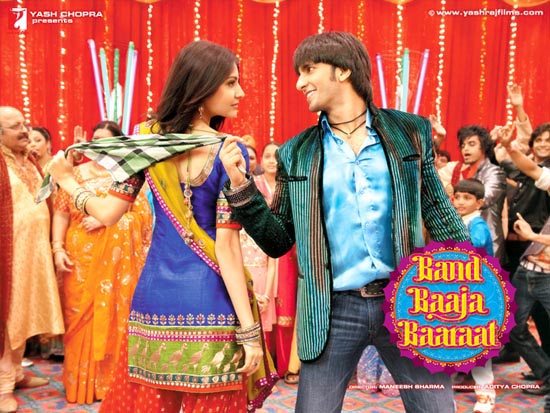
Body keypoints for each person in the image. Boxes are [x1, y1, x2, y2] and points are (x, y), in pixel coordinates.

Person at [220, 32, 469, 413]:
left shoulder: (409, 131)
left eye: (309, 70)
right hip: (332, 308)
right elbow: (277, 239)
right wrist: (241, 187)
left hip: (409, 302)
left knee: (436, 409)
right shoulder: (296, 152)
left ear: (344, 70)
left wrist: (469, 281)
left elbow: (438, 210)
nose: (300, 83)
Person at [48, 40, 276, 413]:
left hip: (152, 302)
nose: (241, 93)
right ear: (202, 87)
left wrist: (67, 181)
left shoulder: (148, 142)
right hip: (211, 302)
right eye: (231, 83)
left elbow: (106, 213)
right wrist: (250, 332)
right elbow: (227, 250)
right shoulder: (227, 151)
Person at [51, 120, 153, 404]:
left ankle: (110, 385)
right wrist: (57, 248)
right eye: (94, 139)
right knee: (78, 318)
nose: (97, 145)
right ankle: (81, 384)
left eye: (105, 141)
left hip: (116, 262)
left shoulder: (127, 175)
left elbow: (142, 218)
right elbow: (61, 212)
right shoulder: (74, 173)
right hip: (79, 257)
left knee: (114, 318)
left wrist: (108, 219)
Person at [0, 106, 65, 413]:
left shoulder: (29, 161)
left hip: (33, 253)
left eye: (25, 124)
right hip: (8, 257)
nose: (26, 130)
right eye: (17, 127)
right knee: (8, 317)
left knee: (24, 314)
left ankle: (16, 373)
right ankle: (2, 385)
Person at [451, 178, 495, 413]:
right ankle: (450, 386)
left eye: (467, 198)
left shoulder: (477, 224)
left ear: (479, 202)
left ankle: (486, 395)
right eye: (457, 197)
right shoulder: (460, 221)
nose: (460, 202)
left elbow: (473, 246)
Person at [438, 125, 507, 261]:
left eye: (471, 144)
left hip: (485, 247)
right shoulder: (464, 171)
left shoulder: (494, 172)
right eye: (463, 146)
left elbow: (485, 199)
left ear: (484, 147)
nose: (465, 149)